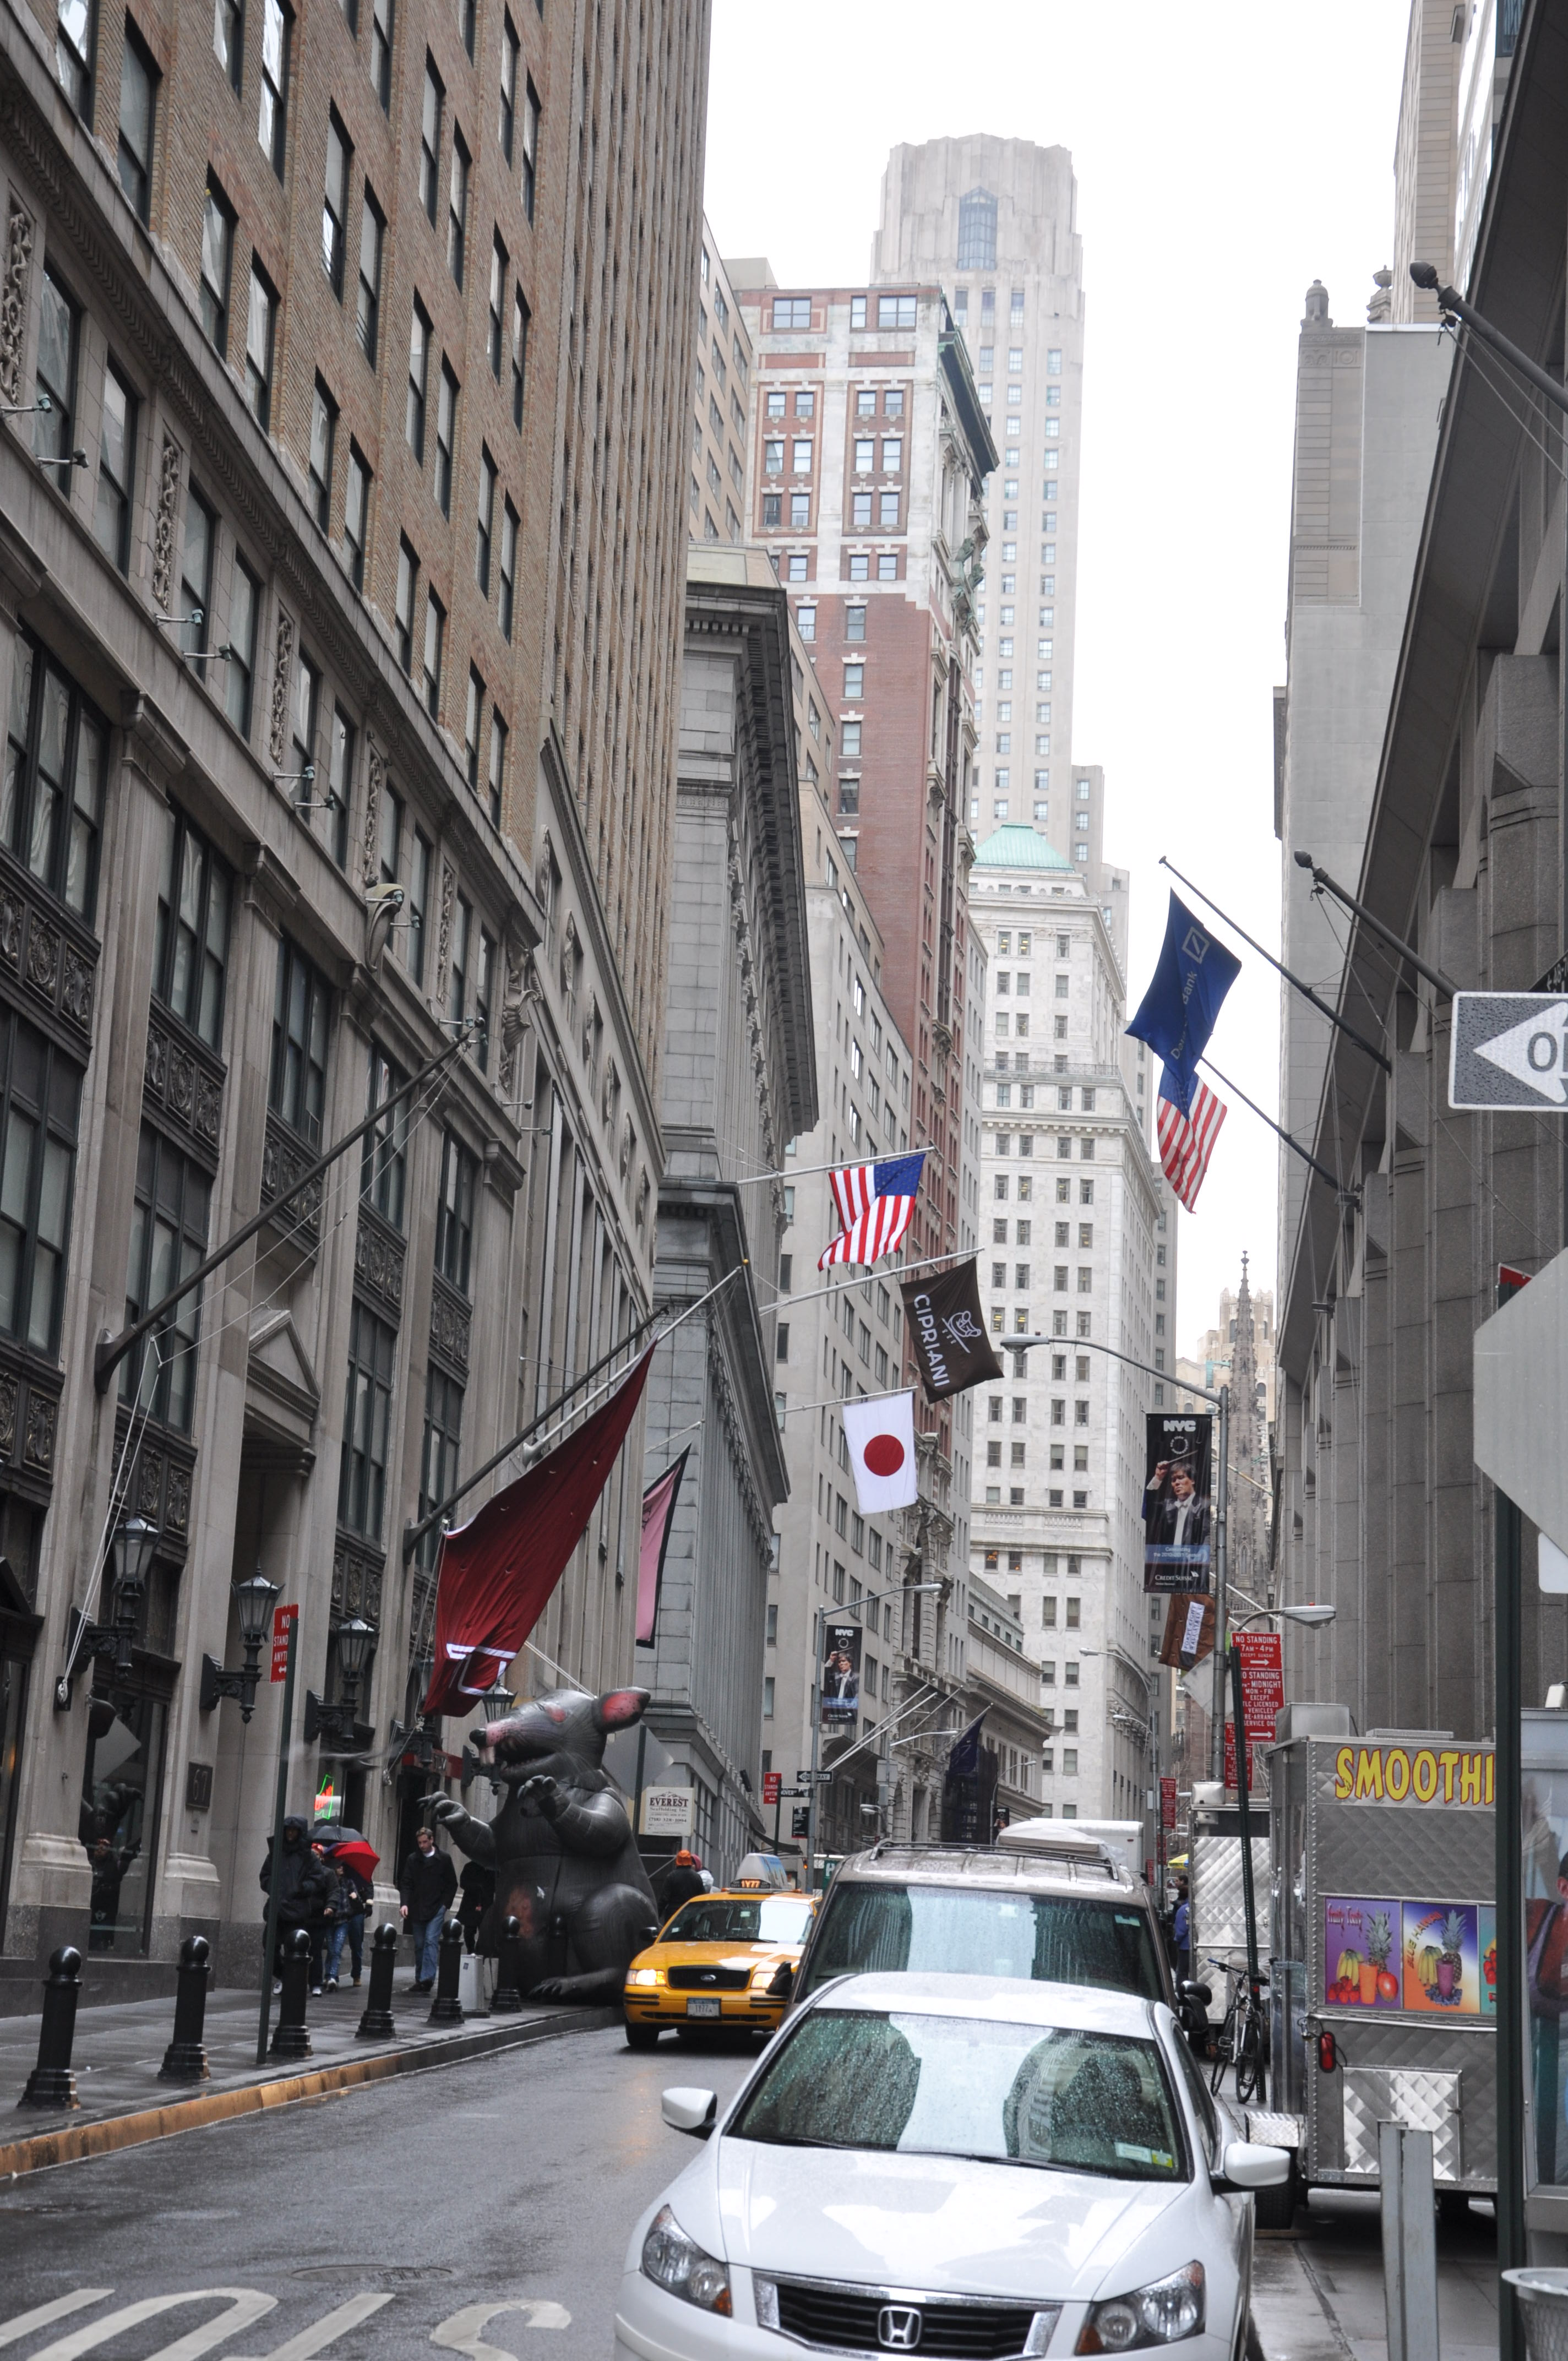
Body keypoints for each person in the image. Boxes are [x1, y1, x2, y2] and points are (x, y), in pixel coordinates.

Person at [260, 1815, 327, 1992]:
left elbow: (318, 1880)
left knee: (295, 1949)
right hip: (276, 1911)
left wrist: (301, 1888)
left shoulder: (308, 1857)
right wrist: (273, 1886)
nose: (290, 1834)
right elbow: (265, 1876)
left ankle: (292, 1981)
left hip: (296, 1912)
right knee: (269, 1950)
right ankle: (285, 1976)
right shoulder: (276, 1853)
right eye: (288, 1830)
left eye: (294, 1831)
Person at [399, 1823, 457, 1991]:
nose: (422, 1846)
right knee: (419, 1944)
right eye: (420, 1843)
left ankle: (427, 1978)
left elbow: (452, 1884)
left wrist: (445, 1906)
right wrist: (404, 1903)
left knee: (431, 1941)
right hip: (417, 1908)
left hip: (436, 1907)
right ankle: (420, 1978)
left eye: (425, 1842)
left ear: (432, 1840)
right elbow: (406, 1883)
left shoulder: (444, 1859)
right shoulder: (413, 1859)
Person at [328, 1854, 374, 1988]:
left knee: (356, 1943)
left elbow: (368, 1885)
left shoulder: (358, 1868)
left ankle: (356, 1973)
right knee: (335, 1946)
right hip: (341, 1912)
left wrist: (368, 1904)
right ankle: (332, 1976)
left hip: (356, 1910)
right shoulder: (337, 1865)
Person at [459, 1856, 496, 1954]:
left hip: (486, 1904)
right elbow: (463, 1883)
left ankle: (479, 1952)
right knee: (469, 1931)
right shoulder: (470, 1867)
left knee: (485, 1932)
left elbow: (496, 1886)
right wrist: (476, 1887)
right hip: (471, 1904)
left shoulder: (492, 1870)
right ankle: (471, 1951)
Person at [658, 1848, 706, 1918]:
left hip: (673, 1914)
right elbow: (702, 1898)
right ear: (690, 1861)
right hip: (691, 1913)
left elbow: (664, 1899)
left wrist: (658, 1914)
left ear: (678, 1860)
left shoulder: (671, 1877)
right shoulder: (697, 1877)